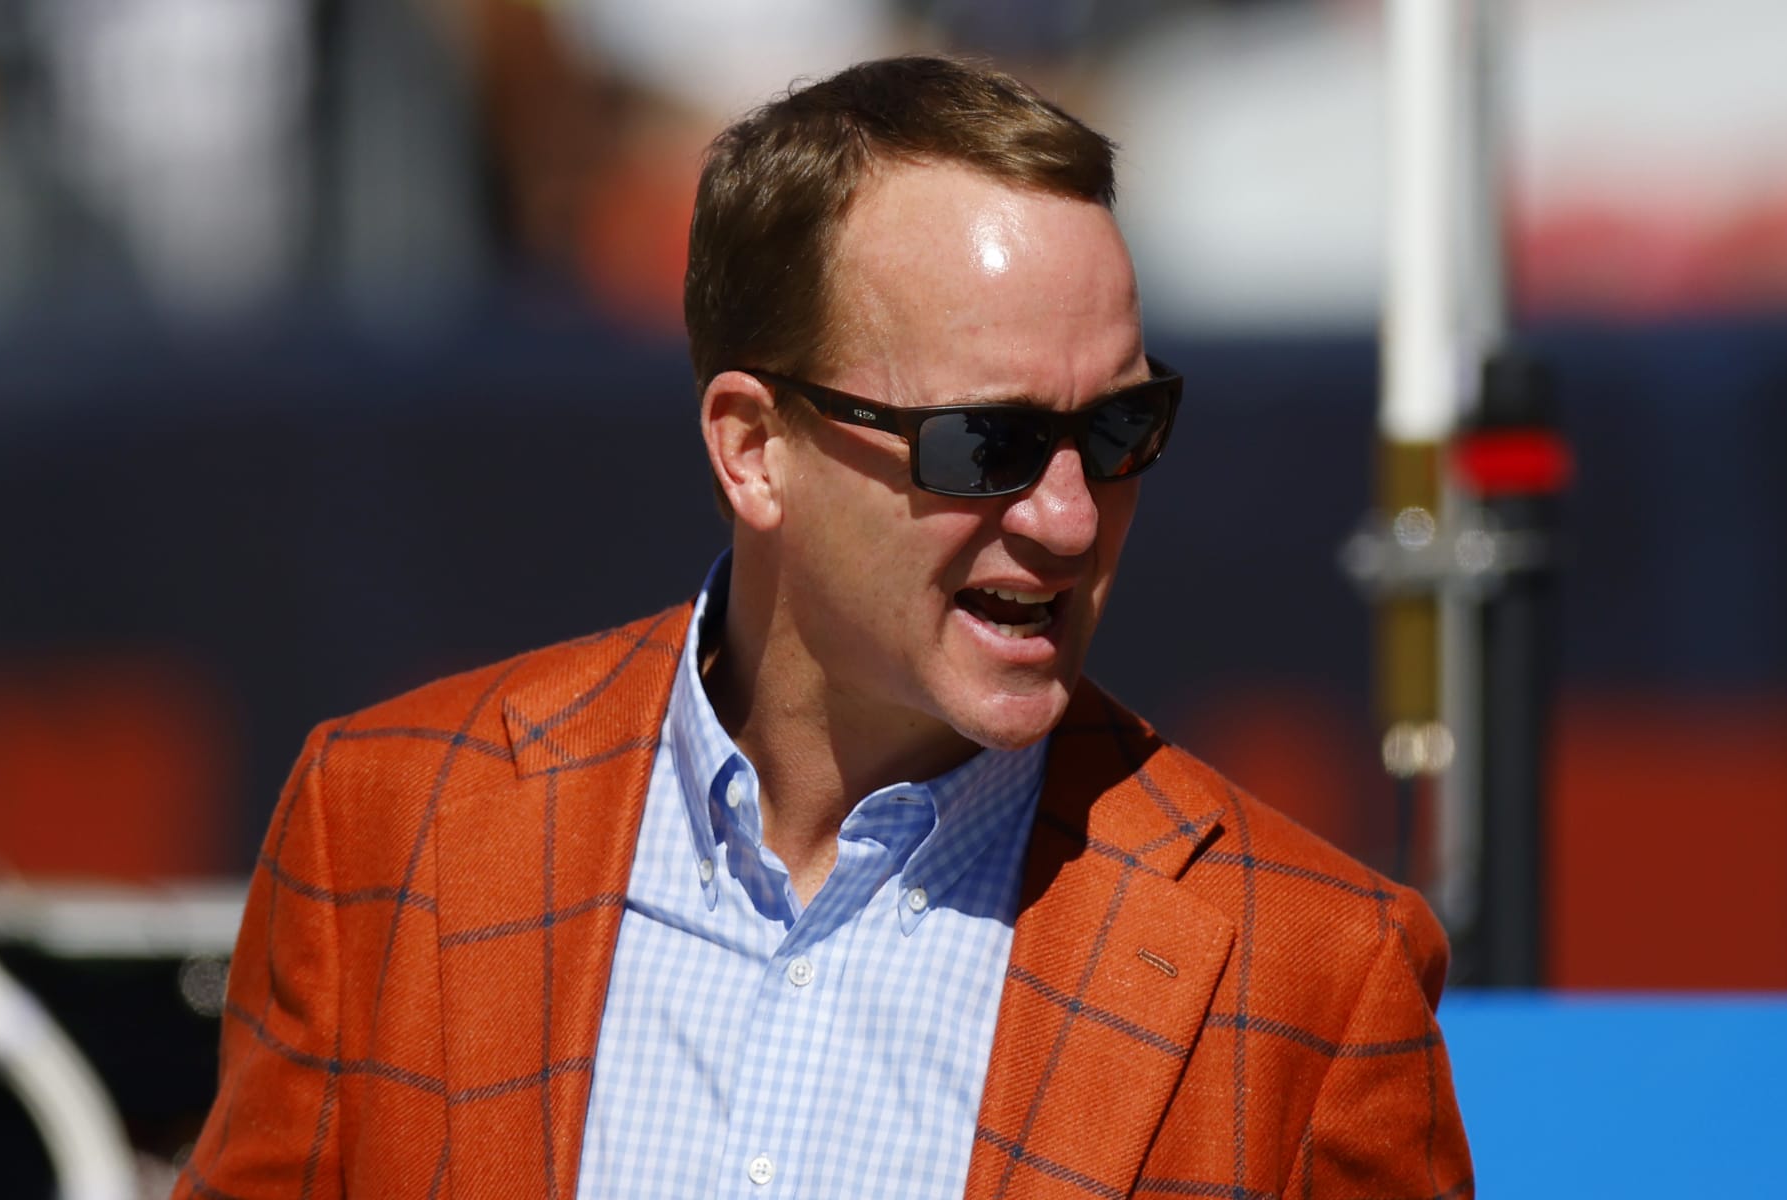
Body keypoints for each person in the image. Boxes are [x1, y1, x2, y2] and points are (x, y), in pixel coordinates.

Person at [176, 55, 1472, 1200]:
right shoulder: (391, 828)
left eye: (1122, 430)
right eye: (991, 443)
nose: (1071, 518)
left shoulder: (1309, 976)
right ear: (754, 449)